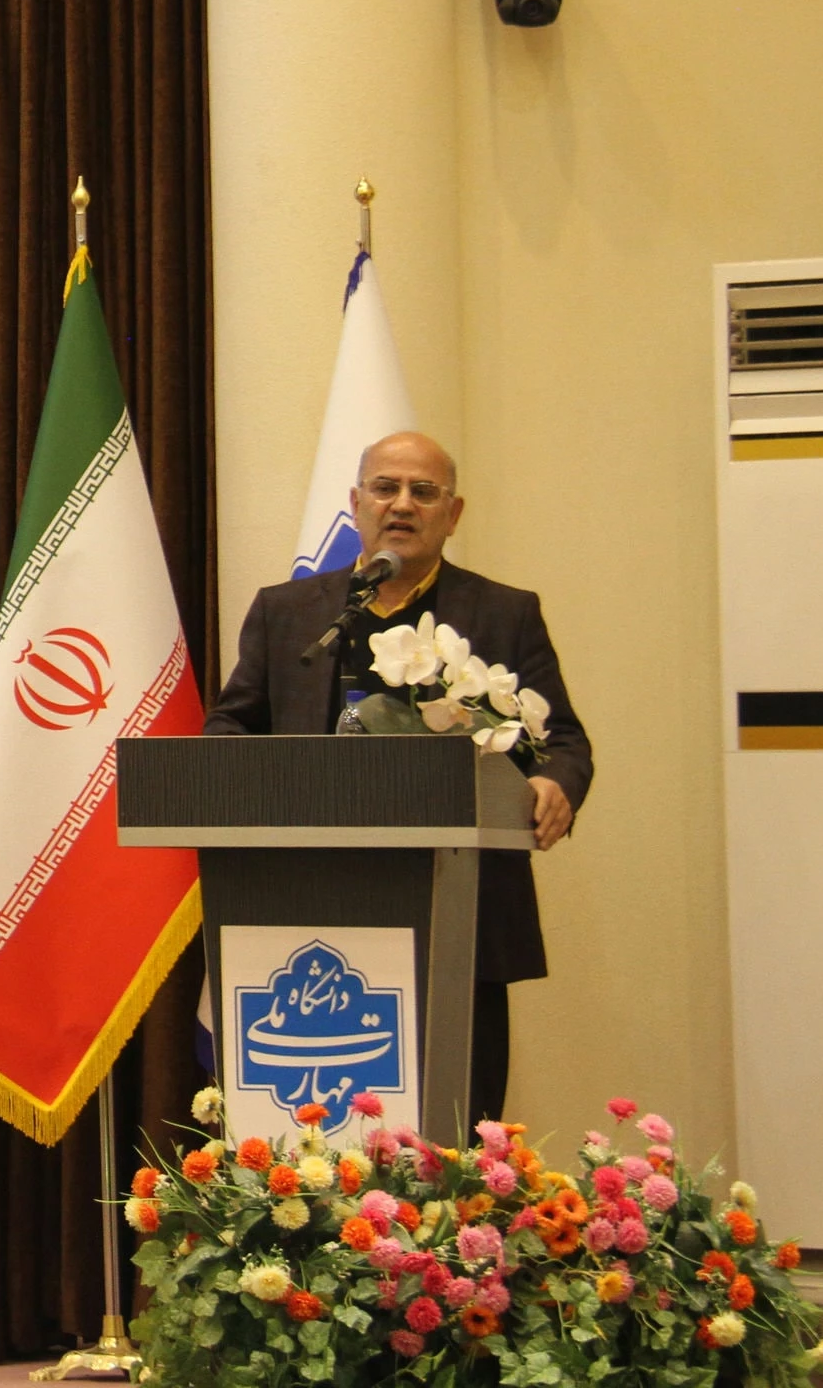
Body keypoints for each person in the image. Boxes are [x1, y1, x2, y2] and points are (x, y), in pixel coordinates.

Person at [204, 432, 594, 1120]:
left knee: (459, 1128)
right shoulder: (288, 613)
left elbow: (561, 739)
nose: (402, 505)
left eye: (424, 491)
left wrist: (554, 783)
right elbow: (231, 729)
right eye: (385, 488)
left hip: (462, 912)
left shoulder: (504, 612)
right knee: (321, 1131)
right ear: (357, 503)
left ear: (454, 513)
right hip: (310, 909)